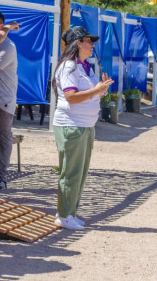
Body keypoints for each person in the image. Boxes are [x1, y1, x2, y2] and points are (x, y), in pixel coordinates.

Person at [52, 26, 112, 230]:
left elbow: (89, 93)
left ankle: (70, 212)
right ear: (78, 43)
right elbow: (70, 96)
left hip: (84, 125)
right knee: (71, 172)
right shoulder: (69, 66)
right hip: (72, 125)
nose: (92, 45)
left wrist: (101, 90)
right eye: (88, 41)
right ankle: (64, 214)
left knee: (80, 172)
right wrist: (96, 91)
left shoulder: (84, 66)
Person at [0, 11, 20, 191]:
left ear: (2, 26)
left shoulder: (8, 46)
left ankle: (2, 176)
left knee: (4, 135)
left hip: (4, 99)